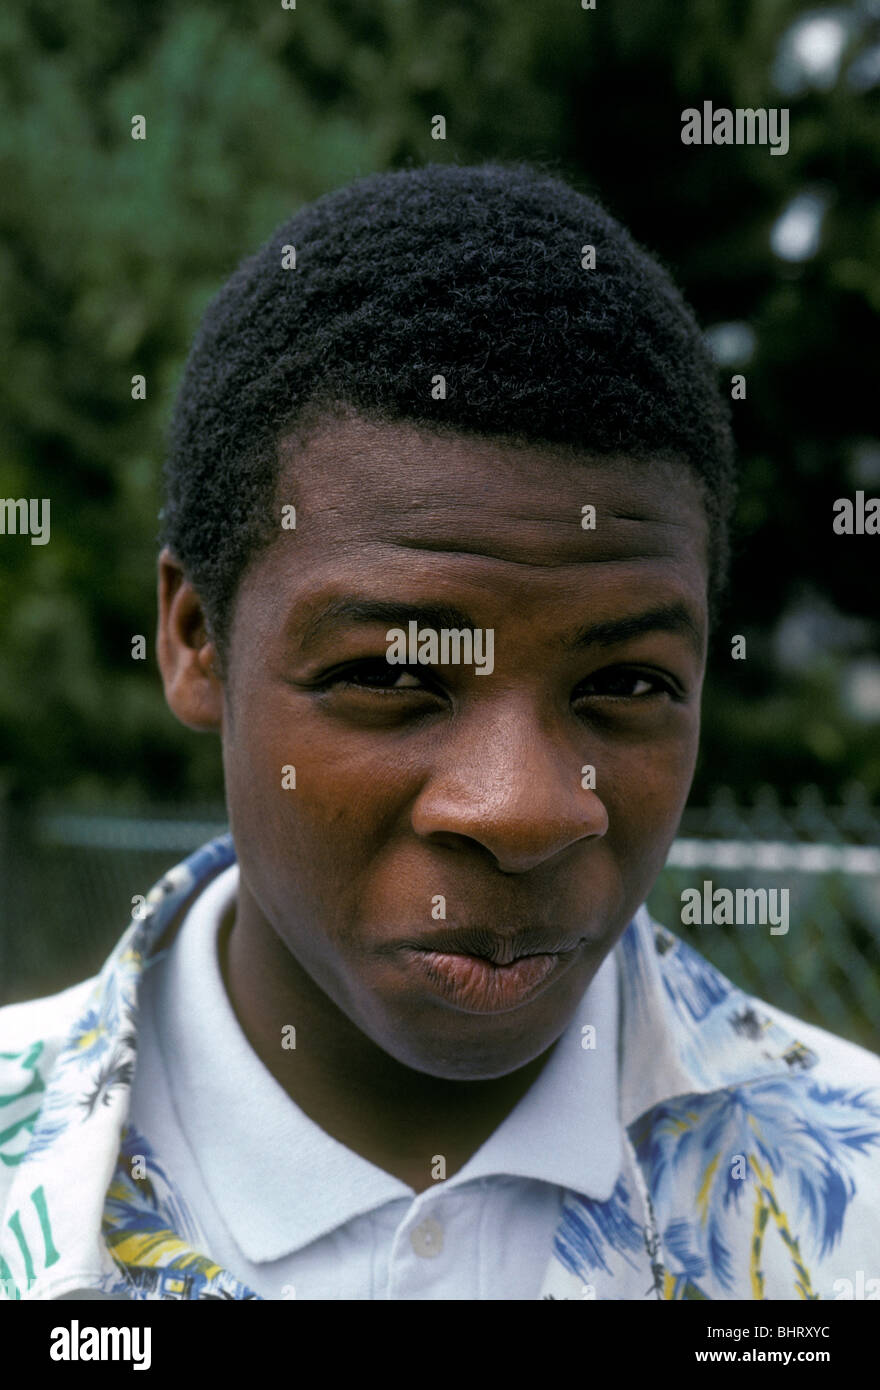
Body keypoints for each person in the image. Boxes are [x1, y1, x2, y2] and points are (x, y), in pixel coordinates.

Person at [1, 163, 878, 1302]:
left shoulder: (849, 1212)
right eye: (391, 674)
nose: (521, 808)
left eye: (624, 681)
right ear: (193, 639)